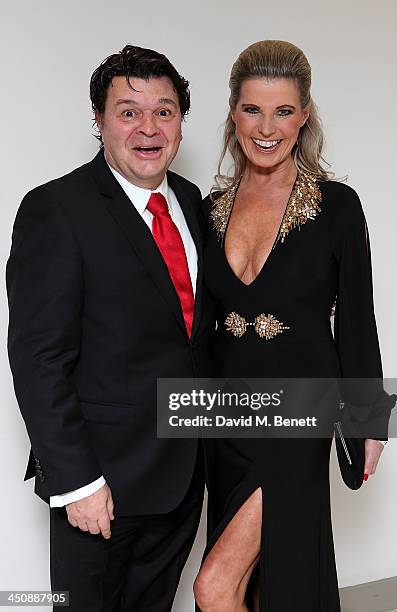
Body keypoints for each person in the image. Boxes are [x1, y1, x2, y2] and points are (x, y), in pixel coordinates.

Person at [6, 45, 214, 611]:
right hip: (100, 486)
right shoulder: (57, 209)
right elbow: (37, 358)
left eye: (164, 111)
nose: (148, 128)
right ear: (99, 121)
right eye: (128, 112)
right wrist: (77, 484)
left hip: (181, 477)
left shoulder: (193, 204)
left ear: (181, 123)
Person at [193, 40, 393, 611]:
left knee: (214, 586)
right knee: (260, 588)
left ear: (304, 115)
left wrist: (368, 418)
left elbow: (358, 318)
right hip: (225, 419)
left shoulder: (337, 206)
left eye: (283, 110)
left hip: (299, 415)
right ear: (233, 111)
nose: (266, 127)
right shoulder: (210, 209)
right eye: (253, 109)